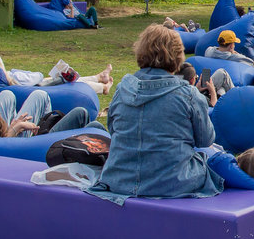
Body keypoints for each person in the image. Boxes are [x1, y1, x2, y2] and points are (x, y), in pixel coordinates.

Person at [88, 25, 221, 202]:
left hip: (119, 180)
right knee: (215, 156)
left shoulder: (122, 90)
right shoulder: (188, 94)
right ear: (177, 55)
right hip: (173, 182)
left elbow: (113, 129)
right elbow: (205, 140)